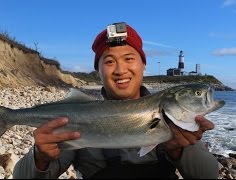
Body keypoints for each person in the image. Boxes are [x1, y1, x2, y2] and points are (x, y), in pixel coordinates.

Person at [13, 22, 219, 179]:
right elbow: (20, 176)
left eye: (129, 58)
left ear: (143, 64)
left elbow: (208, 175)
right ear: (98, 70)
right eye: (110, 61)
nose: (121, 70)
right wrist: (40, 157)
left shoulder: (175, 119)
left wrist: (181, 149)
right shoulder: (73, 115)